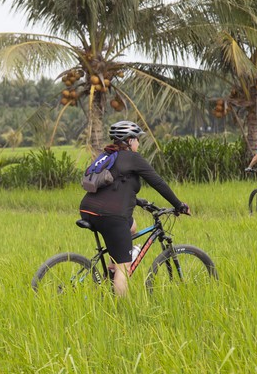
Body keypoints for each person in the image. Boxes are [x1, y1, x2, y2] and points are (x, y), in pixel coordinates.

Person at [79, 120, 190, 297]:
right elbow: (158, 183)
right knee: (125, 267)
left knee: (131, 227)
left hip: (88, 209)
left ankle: (112, 266)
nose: (138, 142)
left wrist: (139, 202)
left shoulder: (107, 156)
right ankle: (121, 314)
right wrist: (179, 205)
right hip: (112, 216)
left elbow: (115, 187)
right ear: (129, 141)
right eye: (137, 139)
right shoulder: (133, 158)